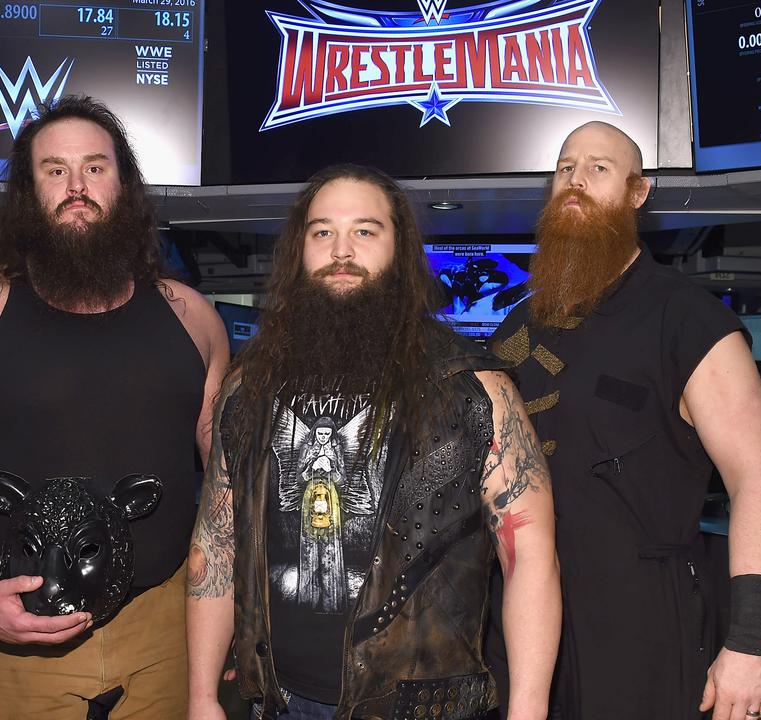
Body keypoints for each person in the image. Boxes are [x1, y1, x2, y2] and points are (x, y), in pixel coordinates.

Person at [0, 96, 228, 719]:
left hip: (169, 626)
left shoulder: (194, 318)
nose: (77, 187)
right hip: (23, 630)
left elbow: (228, 488)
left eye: (96, 168)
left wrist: (238, 613)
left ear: (125, 187)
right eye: (55, 171)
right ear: (29, 193)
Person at [186, 164, 561, 720]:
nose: (342, 250)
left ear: (400, 249)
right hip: (277, 699)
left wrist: (528, 711)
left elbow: (530, 556)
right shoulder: (250, 386)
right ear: (299, 251)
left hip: (421, 705)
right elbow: (216, 544)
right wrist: (200, 696)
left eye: (365, 231)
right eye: (322, 232)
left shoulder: (470, 385)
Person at [485, 121, 761, 720]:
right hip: (518, 629)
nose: (575, 181)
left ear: (637, 193)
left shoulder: (688, 320)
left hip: (643, 629)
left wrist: (750, 643)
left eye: (599, 169)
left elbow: (759, 481)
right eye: (565, 167)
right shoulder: (513, 331)